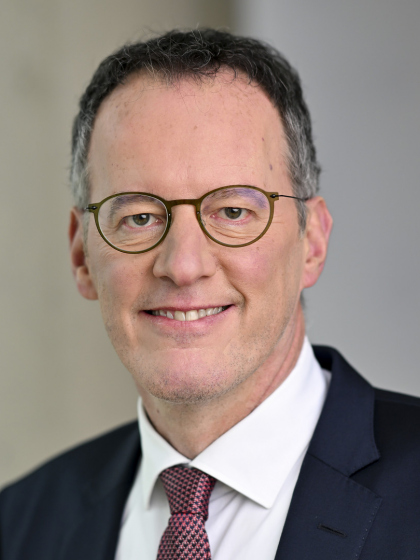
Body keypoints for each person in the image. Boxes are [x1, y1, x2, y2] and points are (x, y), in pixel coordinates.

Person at [1, 28, 419, 560]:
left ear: (311, 242)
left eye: (233, 211)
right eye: (139, 217)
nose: (183, 266)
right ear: (82, 254)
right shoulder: (18, 526)